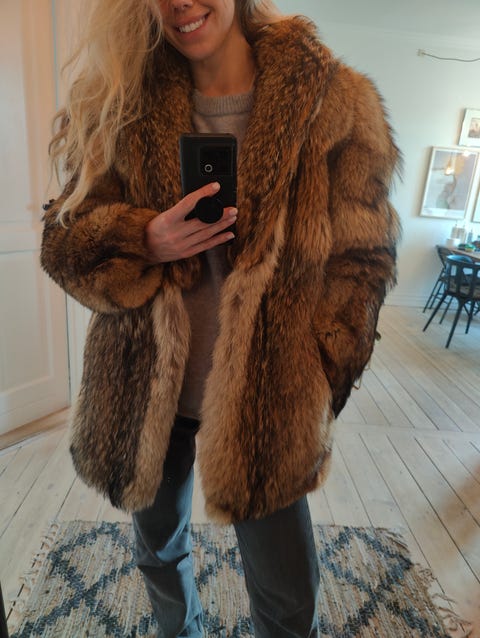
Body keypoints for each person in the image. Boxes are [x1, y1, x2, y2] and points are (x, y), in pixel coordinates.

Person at [41, 0, 401, 636]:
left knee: (287, 593)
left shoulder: (332, 102)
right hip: (145, 387)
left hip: (269, 393)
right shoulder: (119, 104)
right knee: (159, 551)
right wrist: (143, 240)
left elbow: (363, 259)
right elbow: (61, 243)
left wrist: (318, 372)